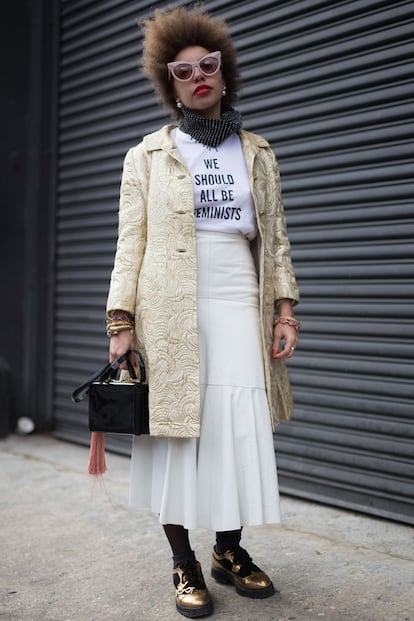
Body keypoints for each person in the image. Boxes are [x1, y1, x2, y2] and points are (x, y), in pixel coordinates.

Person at [105, 6, 300, 618]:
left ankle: (228, 550)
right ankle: (184, 562)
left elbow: (276, 237)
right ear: (171, 82)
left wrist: (284, 309)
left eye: (208, 65)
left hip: (239, 292)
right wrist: (121, 322)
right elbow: (129, 241)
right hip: (167, 303)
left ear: (224, 71)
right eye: (183, 70)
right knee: (178, 431)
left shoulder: (257, 151)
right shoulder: (147, 155)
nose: (198, 77)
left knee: (237, 427)